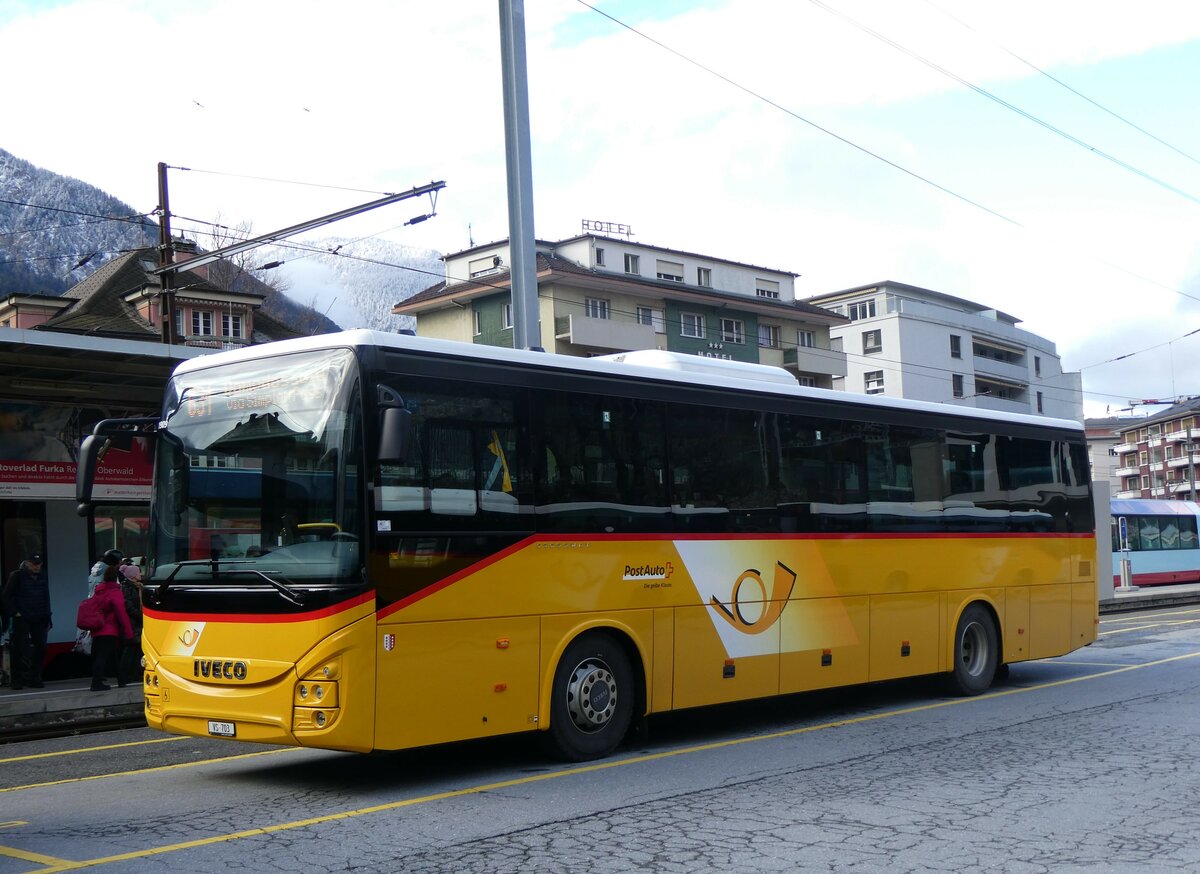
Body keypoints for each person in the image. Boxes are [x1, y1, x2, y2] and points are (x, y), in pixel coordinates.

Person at [2, 553, 51, 690]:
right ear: (27, 563)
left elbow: (46, 597)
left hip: (40, 617)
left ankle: (34, 677)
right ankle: (17, 679)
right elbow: (5, 596)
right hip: (22, 618)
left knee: (41, 648)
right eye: (34, 564)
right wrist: (15, 613)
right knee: (19, 648)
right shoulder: (17, 576)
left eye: (39, 564)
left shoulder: (42, 577)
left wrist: (49, 617)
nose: (37, 567)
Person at [89, 566, 133, 692]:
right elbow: (121, 613)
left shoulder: (99, 590)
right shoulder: (115, 592)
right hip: (109, 629)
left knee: (109, 655)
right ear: (116, 578)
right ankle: (96, 683)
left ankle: (121, 679)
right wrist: (128, 631)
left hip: (97, 628)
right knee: (103, 656)